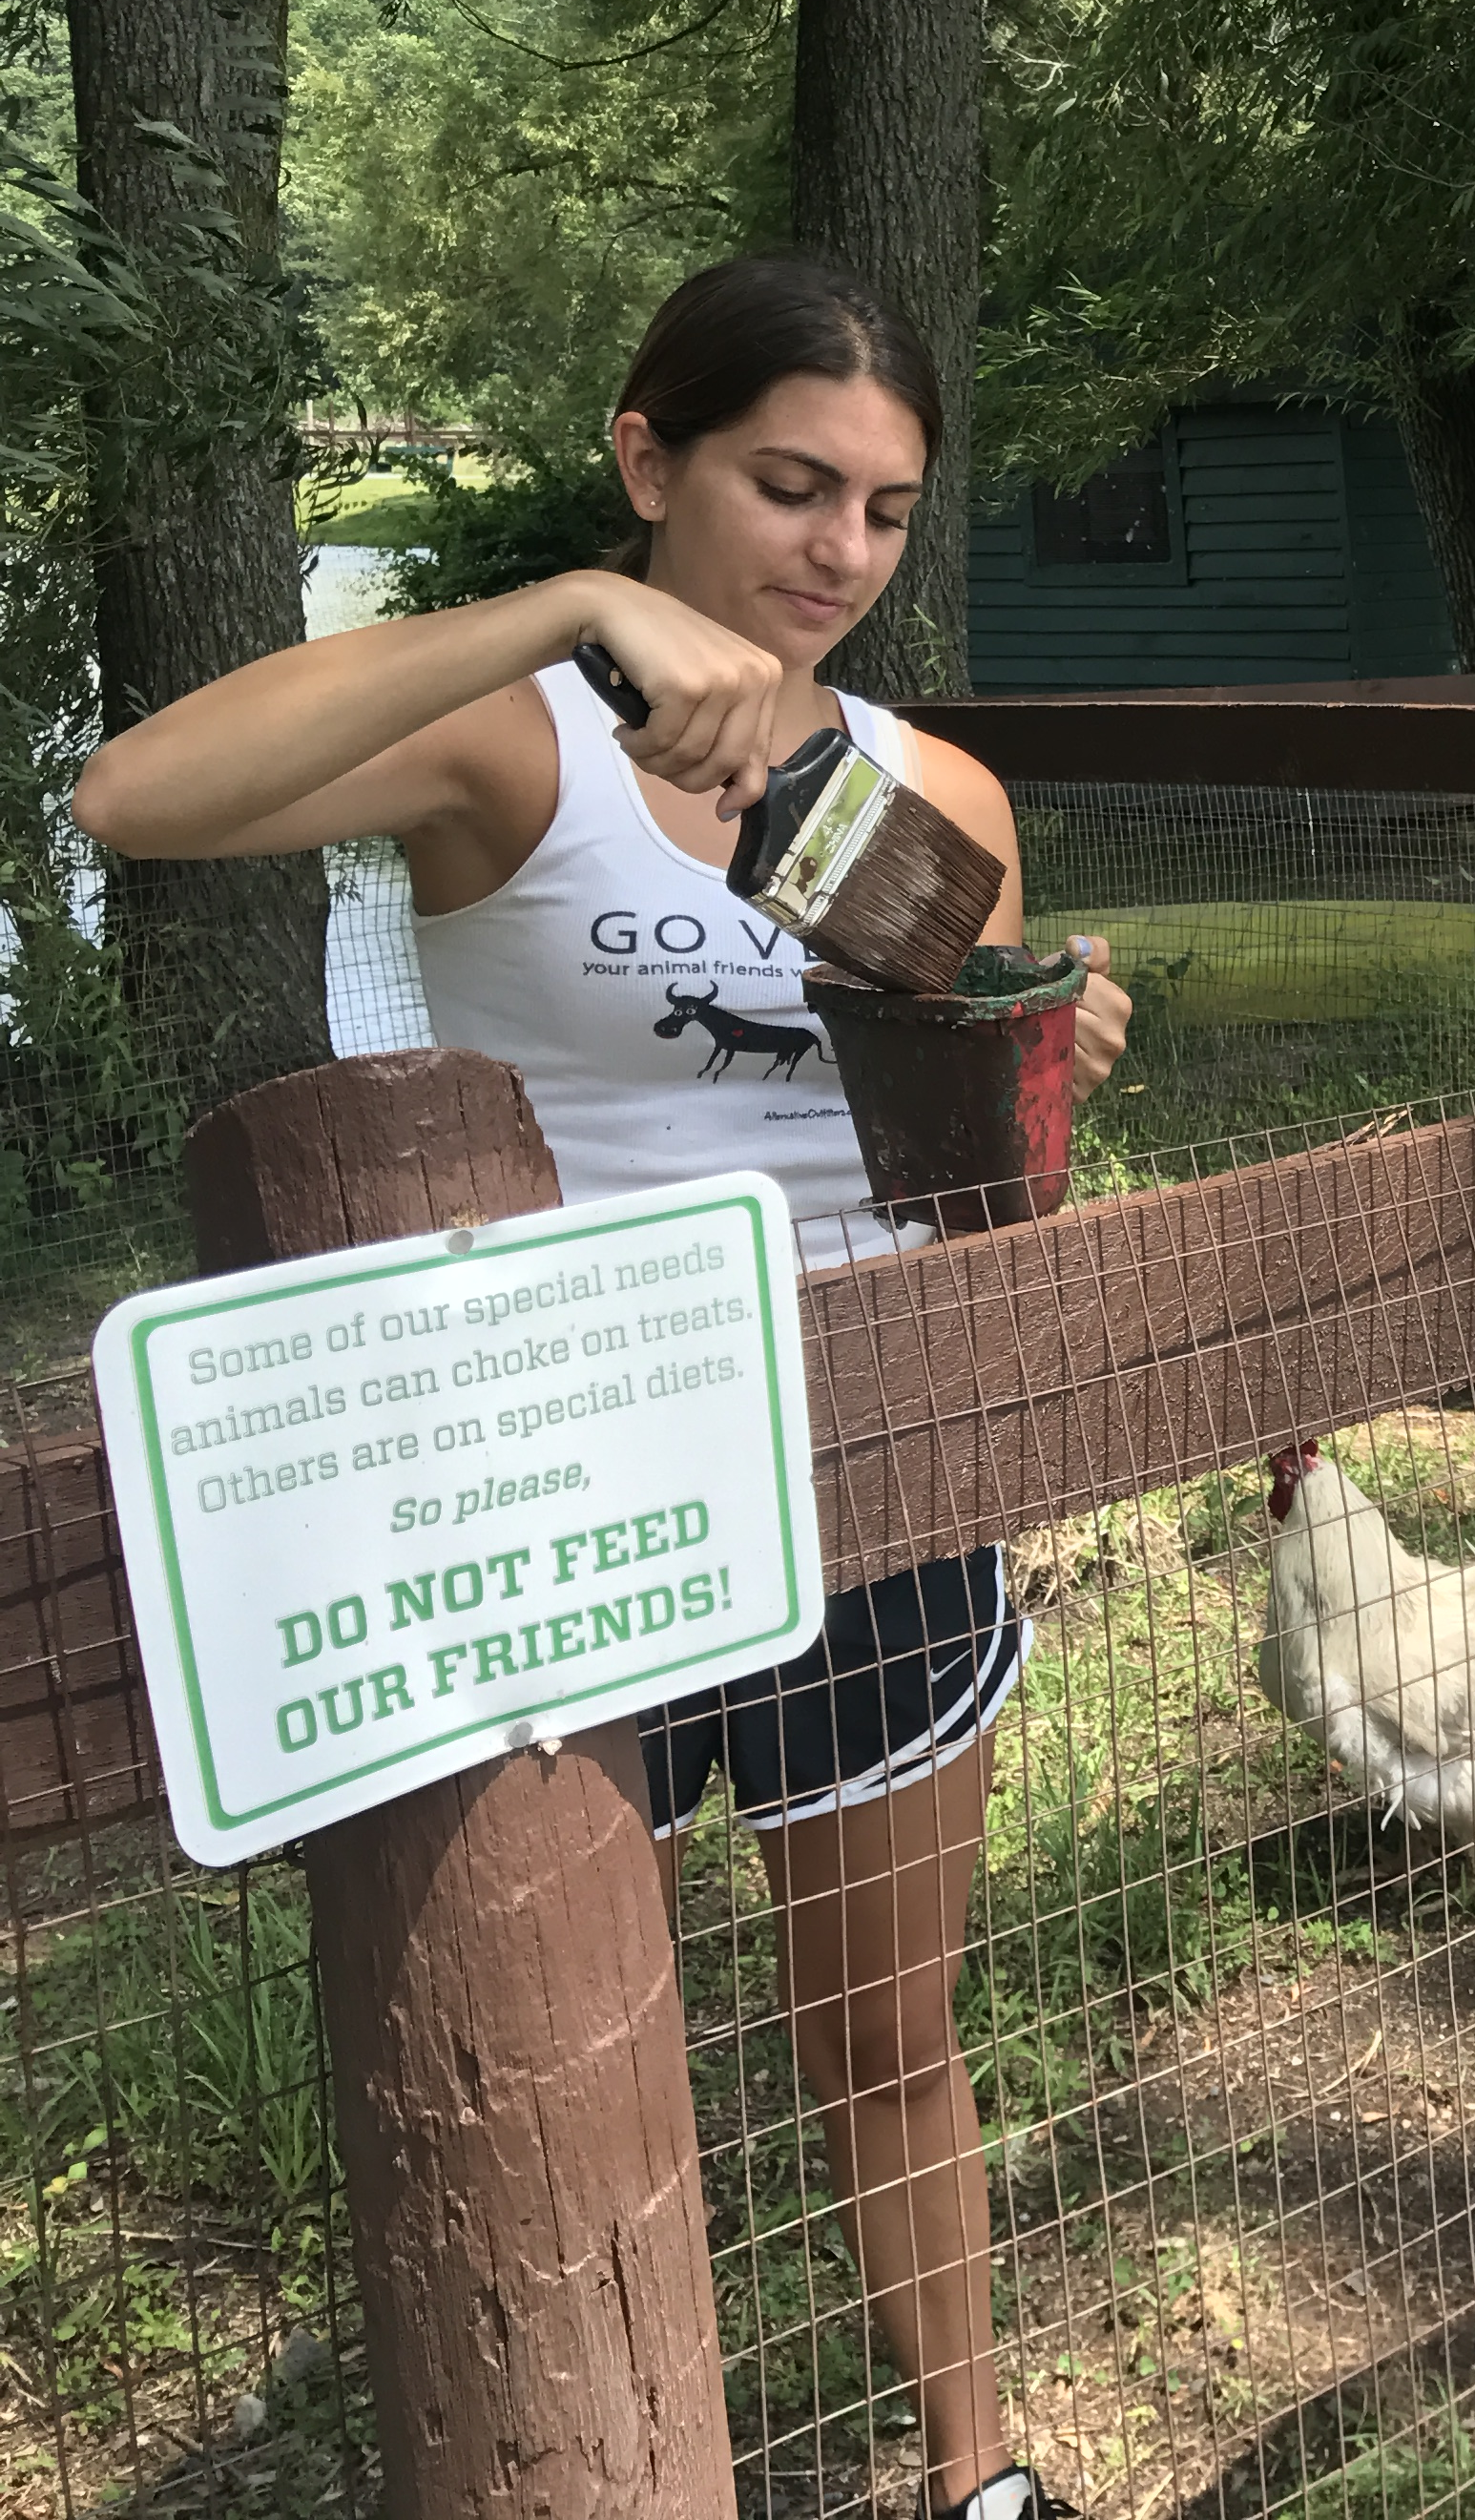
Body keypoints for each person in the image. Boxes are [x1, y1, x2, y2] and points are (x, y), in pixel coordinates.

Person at [73, 256, 1123, 2520]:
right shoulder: (511, 747)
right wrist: (563, 612)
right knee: (558, 2051)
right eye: (786, 483)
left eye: (885, 508)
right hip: (574, 1497)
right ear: (650, 457)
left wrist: (1036, 1069)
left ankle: (975, 2475)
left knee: (883, 2037)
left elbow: (969, 1199)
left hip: (874, 1470)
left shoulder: (929, 789)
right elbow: (132, 799)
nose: (837, 550)